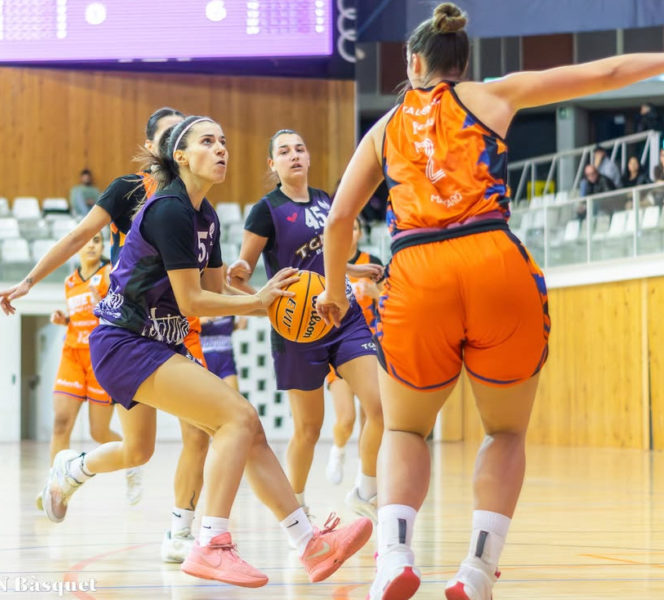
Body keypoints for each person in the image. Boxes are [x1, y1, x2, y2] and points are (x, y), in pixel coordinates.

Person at [316, 3, 664, 599]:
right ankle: (476, 570)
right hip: (494, 262)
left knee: (405, 430)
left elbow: (338, 221)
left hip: (418, 271)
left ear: (414, 62)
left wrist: (330, 290)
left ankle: (394, 559)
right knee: (504, 432)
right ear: (464, 61)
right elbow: (606, 73)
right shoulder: (495, 95)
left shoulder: (384, 128)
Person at [43, 115, 373, 587]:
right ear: (180, 156)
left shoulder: (207, 217)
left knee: (222, 434)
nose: (221, 149)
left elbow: (218, 290)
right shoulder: (169, 210)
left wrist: (271, 300)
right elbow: (192, 302)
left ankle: (310, 544)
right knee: (236, 418)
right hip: (126, 342)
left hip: (159, 341)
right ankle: (211, 543)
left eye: (223, 141)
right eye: (207, 141)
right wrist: (259, 304)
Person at [0, 107, 212, 564]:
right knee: (138, 449)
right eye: (169, 135)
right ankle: (74, 468)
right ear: (153, 147)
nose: (178, 140)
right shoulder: (129, 190)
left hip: (181, 328)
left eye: (185, 133)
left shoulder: (201, 205)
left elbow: (213, 281)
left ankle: (180, 531)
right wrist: (29, 281)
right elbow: (79, 237)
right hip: (135, 329)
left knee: (201, 431)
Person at [228, 129, 385, 522]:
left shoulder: (324, 200)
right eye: (284, 151)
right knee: (309, 430)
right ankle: (295, 508)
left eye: (299, 148)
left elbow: (327, 252)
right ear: (273, 163)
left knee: (380, 406)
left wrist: (351, 270)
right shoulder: (266, 210)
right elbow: (240, 275)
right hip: (298, 330)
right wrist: (262, 300)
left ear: (309, 157)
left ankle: (365, 490)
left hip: (344, 316)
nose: (294, 155)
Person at [37, 233, 118, 508]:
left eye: (97, 241)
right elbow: (80, 316)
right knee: (61, 422)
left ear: (103, 246)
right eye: (87, 241)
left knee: (99, 432)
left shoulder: (110, 273)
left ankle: (133, 458)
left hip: (99, 357)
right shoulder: (70, 281)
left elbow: (119, 314)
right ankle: (54, 489)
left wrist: (101, 305)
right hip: (72, 354)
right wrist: (66, 319)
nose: (92, 245)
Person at [325, 216, 384, 486]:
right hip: (337, 347)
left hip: (370, 346)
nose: (350, 232)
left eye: (355, 227)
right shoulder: (328, 263)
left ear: (360, 234)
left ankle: (364, 472)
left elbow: (392, 302)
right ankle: (337, 451)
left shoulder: (372, 263)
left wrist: (377, 295)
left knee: (370, 415)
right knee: (346, 418)